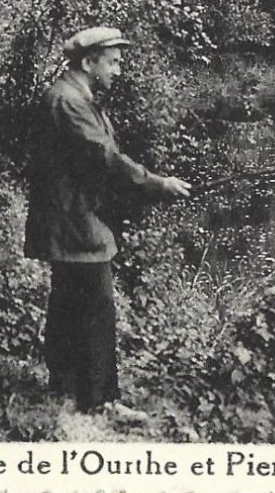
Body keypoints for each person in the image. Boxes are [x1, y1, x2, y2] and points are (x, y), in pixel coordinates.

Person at [24, 27, 192, 418]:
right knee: (97, 306)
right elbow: (104, 158)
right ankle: (100, 400)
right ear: (89, 62)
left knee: (67, 300)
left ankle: (63, 386)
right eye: (113, 61)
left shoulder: (75, 96)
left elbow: (98, 161)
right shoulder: (68, 101)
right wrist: (157, 184)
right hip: (74, 220)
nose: (119, 69)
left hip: (74, 213)